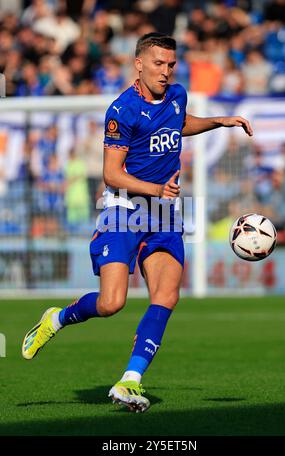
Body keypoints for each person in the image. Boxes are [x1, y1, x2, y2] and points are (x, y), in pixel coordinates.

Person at [22, 32, 253, 413]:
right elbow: (111, 174)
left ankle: (129, 381)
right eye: (158, 64)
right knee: (113, 302)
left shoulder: (177, 95)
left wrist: (218, 121)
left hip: (162, 214)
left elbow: (178, 123)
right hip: (124, 211)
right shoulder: (122, 110)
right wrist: (155, 188)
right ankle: (57, 318)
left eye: (171, 64)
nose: (166, 71)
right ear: (139, 64)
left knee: (167, 295)